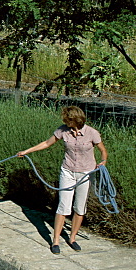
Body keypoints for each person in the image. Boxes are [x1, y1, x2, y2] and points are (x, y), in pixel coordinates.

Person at [18, 106, 108, 254]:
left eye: (68, 120)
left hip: (86, 173)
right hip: (67, 172)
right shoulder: (63, 130)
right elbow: (47, 143)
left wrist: (103, 161)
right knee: (63, 206)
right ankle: (55, 241)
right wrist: (26, 151)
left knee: (80, 207)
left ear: (75, 120)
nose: (65, 122)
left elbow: (103, 151)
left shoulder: (92, 133)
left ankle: (72, 238)